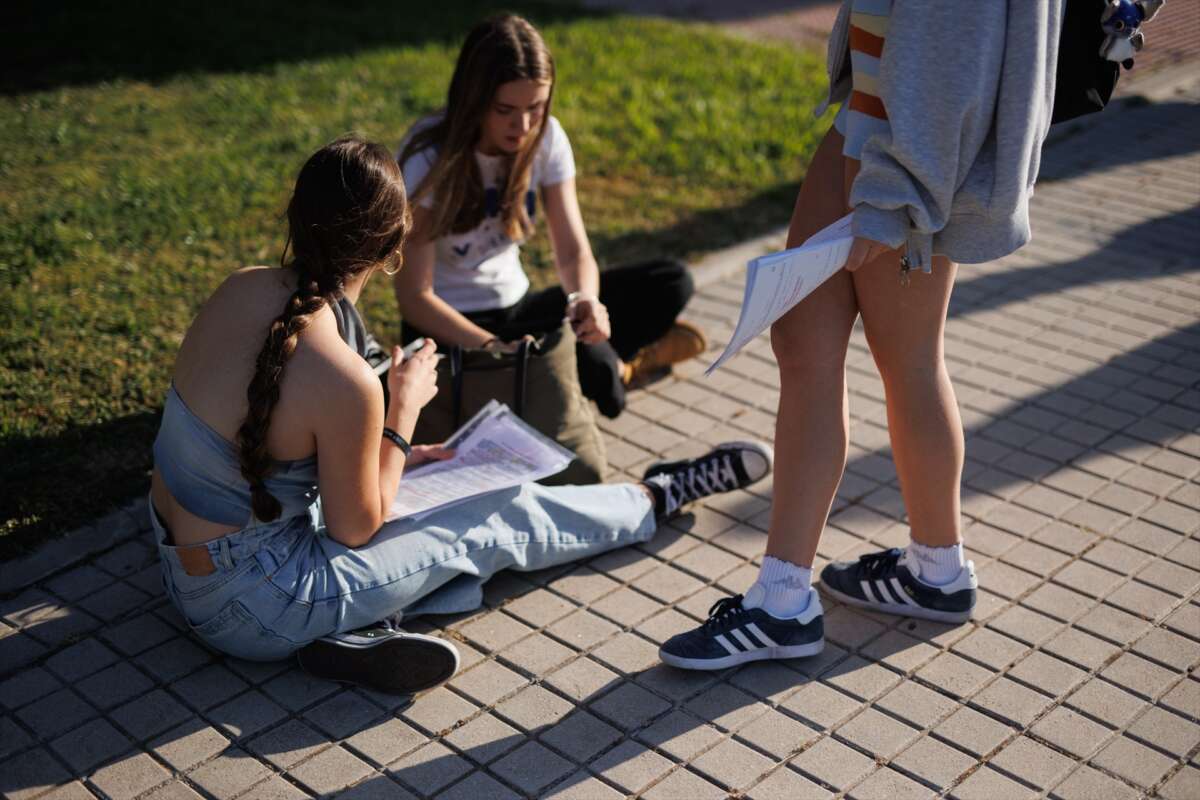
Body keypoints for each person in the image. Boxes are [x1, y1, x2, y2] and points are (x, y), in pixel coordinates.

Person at [149, 136, 772, 696]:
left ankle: (353, 633)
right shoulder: (345, 383)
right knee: (490, 520)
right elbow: (354, 531)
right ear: (396, 246)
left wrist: (388, 449)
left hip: (179, 564)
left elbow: (265, 456)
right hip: (256, 607)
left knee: (432, 517)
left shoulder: (239, 287)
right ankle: (655, 498)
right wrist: (402, 410)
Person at [660, 0, 1064, 669]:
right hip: (880, 137)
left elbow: (951, 53)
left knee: (895, 361)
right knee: (817, 345)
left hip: (900, 160)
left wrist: (891, 196)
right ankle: (924, 574)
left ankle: (790, 602)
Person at [394, 14, 707, 422]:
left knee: (671, 281)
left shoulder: (547, 137)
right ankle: (614, 367)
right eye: (505, 109)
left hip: (517, 310)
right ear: (474, 99)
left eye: (536, 108)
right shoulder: (429, 156)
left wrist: (585, 301)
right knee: (601, 389)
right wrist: (494, 347)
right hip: (449, 332)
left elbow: (573, 250)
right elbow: (415, 298)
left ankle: (599, 368)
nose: (522, 125)